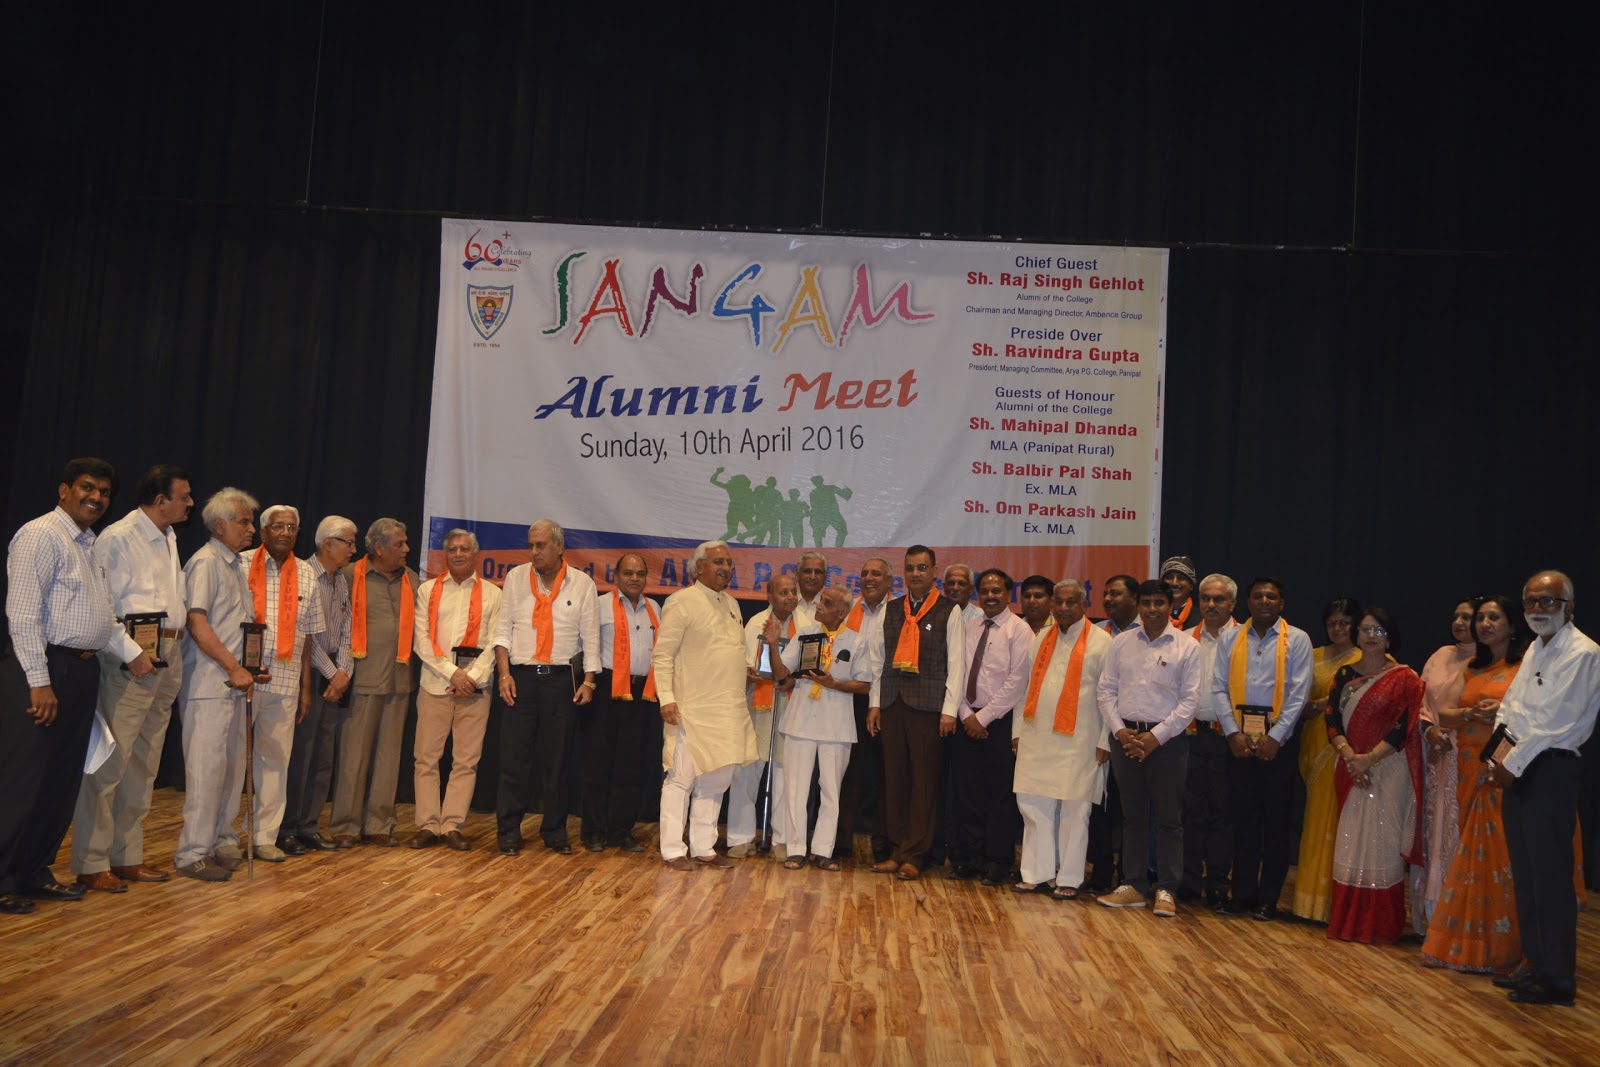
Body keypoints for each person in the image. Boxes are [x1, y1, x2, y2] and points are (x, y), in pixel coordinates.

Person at [1418, 595, 1581, 971]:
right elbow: (1445, 713)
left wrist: (1500, 712)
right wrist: (1468, 713)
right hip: (1470, 768)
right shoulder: (1472, 667)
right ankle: (1476, 944)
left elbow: (1538, 714)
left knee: (1508, 860)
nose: (1484, 625)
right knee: (1474, 859)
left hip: (1508, 771)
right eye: (1480, 619)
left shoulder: (1526, 666)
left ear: (1512, 623)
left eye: (1494, 618)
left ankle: (1513, 949)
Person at [0, 458, 118, 914]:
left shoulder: (88, 543)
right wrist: (38, 680)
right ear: (64, 490)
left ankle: (33, 871)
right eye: (87, 487)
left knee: (61, 779)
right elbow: (23, 614)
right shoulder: (41, 535)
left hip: (80, 671)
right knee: (23, 779)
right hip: (45, 669)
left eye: (104, 492)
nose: (96, 497)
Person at [70, 465, 190, 893]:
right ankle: (91, 860)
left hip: (167, 651)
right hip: (131, 655)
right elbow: (103, 607)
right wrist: (132, 652)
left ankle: (126, 856)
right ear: (161, 500)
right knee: (111, 761)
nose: (190, 503)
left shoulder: (169, 536)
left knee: (145, 761)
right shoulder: (118, 537)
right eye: (183, 496)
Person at [1487, 571, 1600, 1005]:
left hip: (1550, 770)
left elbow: (1554, 721)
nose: (1538, 609)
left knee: (1550, 878)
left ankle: (1557, 980)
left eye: (1548, 601)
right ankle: (1535, 964)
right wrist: (1497, 758)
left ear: (1569, 607)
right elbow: (1512, 709)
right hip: (1520, 768)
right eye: (1531, 601)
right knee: (1528, 875)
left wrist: (1510, 765)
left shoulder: (1583, 652)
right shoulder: (1537, 646)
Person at [491, 519, 599, 855]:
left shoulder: (582, 583)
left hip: (561, 680)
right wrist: (504, 675)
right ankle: (508, 831)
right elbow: (502, 631)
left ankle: (554, 830)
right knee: (514, 759)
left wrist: (589, 681)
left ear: (559, 547)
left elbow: (591, 638)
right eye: (531, 545)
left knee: (557, 760)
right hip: (520, 677)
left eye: (541, 545)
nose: (534, 552)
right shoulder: (515, 578)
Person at [1096, 580, 1202, 917]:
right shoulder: (1122, 643)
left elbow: (1190, 701)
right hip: (1126, 738)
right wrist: (1119, 731)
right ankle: (1134, 885)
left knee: (1169, 819)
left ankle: (1167, 888)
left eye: (1159, 603)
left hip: (1167, 742)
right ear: (1138, 606)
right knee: (1133, 816)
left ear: (1170, 606)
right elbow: (1106, 690)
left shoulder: (1187, 646)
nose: (1152, 609)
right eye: (1146, 603)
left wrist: (1156, 737)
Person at [653, 541, 758, 871]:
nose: (726, 568)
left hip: (728, 709)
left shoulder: (732, 604)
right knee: (680, 779)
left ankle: (703, 846)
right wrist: (666, 698)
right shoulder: (681, 601)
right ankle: (673, 849)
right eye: (718, 562)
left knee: (716, 781)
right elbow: (663, 655)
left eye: (729, 563)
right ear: (699, 567)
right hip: (690, 709)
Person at [1211, 577, 1312, 920]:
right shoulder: (1230, 638)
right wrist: (1232, 733)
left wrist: (1276, 737)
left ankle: (1269, 898)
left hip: (1278, 747)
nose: (1264, 601)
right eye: (1258, 596)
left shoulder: (1297, 639)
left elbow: (1299, 693)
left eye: (1271, 596)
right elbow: (1219, 688)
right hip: (1239, 742)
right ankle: (1242, 894)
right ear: (1248, 602)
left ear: (1282, 603)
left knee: (1276, 824)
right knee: (1243, 821)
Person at [173, 487, 260, 883]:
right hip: (209, 685)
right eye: (244, 521)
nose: (251, 528)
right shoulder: (206, 562)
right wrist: (233, 665)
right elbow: (197, 621)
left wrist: (250, 668)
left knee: (230, 771)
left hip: (235, 683)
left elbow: (239, 627)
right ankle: (192, 852)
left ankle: (219, 841)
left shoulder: (235, 565)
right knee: (206, 772)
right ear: (220, 525)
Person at [1324, 608, 1424, 944]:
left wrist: (1369, 758)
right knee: (1350, 844)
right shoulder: (1344, 675)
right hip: (1350, 767)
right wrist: (1350, 756)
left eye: (1378, 630)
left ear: (1390, 638)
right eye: (1365, 629)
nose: (1371, 636)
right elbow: (1331, 720)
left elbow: (1404, 725)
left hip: (1387, 769)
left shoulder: (1404, 678)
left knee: (1382, 845)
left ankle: (1379, 926)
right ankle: (1347, 922)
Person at [867, 545, 965, 881]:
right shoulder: (892, 608)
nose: (915, 574)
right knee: (895, 780)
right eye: (910, 568)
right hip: (893, 703)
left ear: (934, 571)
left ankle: (916, 854)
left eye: (922, 568)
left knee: (923, 783)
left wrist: (949, 710)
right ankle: (897, 850)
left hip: (929, 706)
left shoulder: (950, 610)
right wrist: (875, 704)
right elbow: (878, 661)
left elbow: (957, 664)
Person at [1011, 580, 1113, 899]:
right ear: (1052, 605)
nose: (1064, 607)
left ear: (1085, 605)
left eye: (1072, 602)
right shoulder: (1041, 637)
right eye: (1060, 602)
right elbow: (1024, 688)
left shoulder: (1102, 642)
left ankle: (1068, 878)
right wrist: (1017, 731)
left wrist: (1106, 739)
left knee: (1075, 809)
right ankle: (1037, 873)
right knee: (1031, 803)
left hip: (1081, 740)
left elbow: (1111, 695)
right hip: (1036, 735)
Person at [769, 586, 877, 870]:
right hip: (801, 721)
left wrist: (834, 684)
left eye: (826, 603)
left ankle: (822, 850)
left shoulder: (857, 641)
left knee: (831, 791)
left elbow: (864, 685)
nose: (819, 605)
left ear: (841, 612)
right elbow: (781, 674)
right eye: (820, 601)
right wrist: (773, 645)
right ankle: (795, 849)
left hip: (836, 725)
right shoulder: (805, 634)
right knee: (795, 789)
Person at [239, 505, 322, 861]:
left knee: (274, 762)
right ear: (263, 532)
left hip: (286, 681)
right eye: (278, 526)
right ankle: (223, 837)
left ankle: (263, 837)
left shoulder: (307, 573)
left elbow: (308, 636)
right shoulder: (240, 563)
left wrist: (306, 688)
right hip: (241, 678)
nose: (285, 532)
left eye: (291, 527)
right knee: (233, 759)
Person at [409, 529, 501, 851]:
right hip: (435, 684)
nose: (458, 554)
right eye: (452, 549)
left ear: (476, 554)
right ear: (445, 555)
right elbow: (421, 641)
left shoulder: (493, 594)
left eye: (464, 549)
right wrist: (453, 673)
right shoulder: (427, 590)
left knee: (465, 761)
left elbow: (496, 641)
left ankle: (451, 826)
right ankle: (427, 825)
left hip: (476, 689)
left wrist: (470, 677)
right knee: (426, 758)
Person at [330, 517, 417, 848]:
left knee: (389, 757)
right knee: (354, 757)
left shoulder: (411, 579)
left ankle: (380, 824)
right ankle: (346, 826)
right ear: (378, 548)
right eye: (399, 544)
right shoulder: (350, 576)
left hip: (400, 679)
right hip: (362, 680)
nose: (406, 549)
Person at [950, 569, 1034, 886]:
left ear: (1009, 594)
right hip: (966, 718)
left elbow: (1017, 681)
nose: (990, 596)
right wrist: (965, 714)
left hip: (999, 723)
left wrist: (982, 718)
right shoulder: (968, 627)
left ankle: (997, 861)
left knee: (999, 795)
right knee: (967, 792)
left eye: (996, 590)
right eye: (984, 590)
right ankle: (968, 858)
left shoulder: (1019, 630)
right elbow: (956, 672)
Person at [280, 515, 356, 852]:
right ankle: (287, 828)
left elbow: (347, 630)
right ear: (327, 543)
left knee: (324, 757)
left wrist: (344, 672)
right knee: (301, 755)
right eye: (348, 542)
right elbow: (303, 633)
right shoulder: (303, 575)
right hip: (308, 673)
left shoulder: (340, 580)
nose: (353, 549)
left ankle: (309, 826)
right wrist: (332, 673)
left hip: (334, 675)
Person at [1292, 596, 1365, 922]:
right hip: (1314, 744)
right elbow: (1298, 699)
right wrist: (1313, 706)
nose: (1338, 629)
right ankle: (1310, 903)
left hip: (1351, 749)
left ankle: (1341, 905)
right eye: (1332, 623)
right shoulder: (1313, 655)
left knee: (1341, 821)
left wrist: (1330, 703)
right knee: (1315, 819)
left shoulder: (1369, 658)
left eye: (1344, 623)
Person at [581, 552, 658, 853]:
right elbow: (586, 647)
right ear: (616, 576)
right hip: (606, 689)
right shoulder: (600, 606)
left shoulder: (655, 609)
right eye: (628, 573)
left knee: (631, 765)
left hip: (641, 693)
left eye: (640, 574)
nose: (635, 578)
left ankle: (621, 830)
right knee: (597, 762)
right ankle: (593, 830)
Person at [1409, 599, 1478, 935]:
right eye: (1456, 616)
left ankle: (1460, 917)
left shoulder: (1493, 662)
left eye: (1468, 617)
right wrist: (1429, 730)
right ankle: (1430, 916)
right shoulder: (1440, 656)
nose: (1459, 622)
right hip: (1433, 755)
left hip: (1468, 757)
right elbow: (1420, 702)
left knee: (1458, 829)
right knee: (1431, 829)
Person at [729, 574, 799, 857]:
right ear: (769, 596)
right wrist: (747, 671)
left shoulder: (806, 624)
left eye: (793, 592)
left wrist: (794, 679)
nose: (790, 597)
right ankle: (740, 837)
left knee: (785, 773)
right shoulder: (755, 622)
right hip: (756, 701)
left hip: (790, 703)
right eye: (783, 592)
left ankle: (781, 839)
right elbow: (741, 660)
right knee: (747, 769)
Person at [1181, 574, 1240, 907]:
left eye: (1219, 599)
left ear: (1232, 603)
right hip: (1189, 737)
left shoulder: (1245, 638)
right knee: (1189, 813)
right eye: (1205, 598)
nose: (1211, 605)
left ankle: (1218, 883)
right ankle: (1188, 882)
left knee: (1223, 814)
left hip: (1228, 739)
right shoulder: (1185, 638)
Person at [834, 557, 893, 863]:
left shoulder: (899, 611)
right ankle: (841, 843)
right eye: (865, 573)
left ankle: (883, 845)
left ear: (889, 581)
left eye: (877, 574)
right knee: (848, 774)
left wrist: (877, 704)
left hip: (888, 702)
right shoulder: (849, 610)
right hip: (852, 700)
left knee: (886, 777)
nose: (870, 578)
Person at [1086, 571, 1139, 890]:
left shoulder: (1147, 634)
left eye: (1116, 594)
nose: (1108, 599)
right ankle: (1102, 870)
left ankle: (1132, 873)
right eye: (1106, 593)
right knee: (1100, 805)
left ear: (1135, 599)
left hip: (1137, 733)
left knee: (1132, 808)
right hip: (1100, 729)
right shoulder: (1095, 632)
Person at [1159, 556, 1198, 631]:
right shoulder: (1153, 616)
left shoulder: (1202, 618)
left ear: (1191, 585)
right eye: (1169, 578)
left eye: (1181, 578)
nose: (1174, 583)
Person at [794, 551, 828, 627]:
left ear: (825, 579)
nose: (812, 577)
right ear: (797, 576)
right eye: (807, 571)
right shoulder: (785, 604)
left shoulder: (831, 609)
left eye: (818, 572)